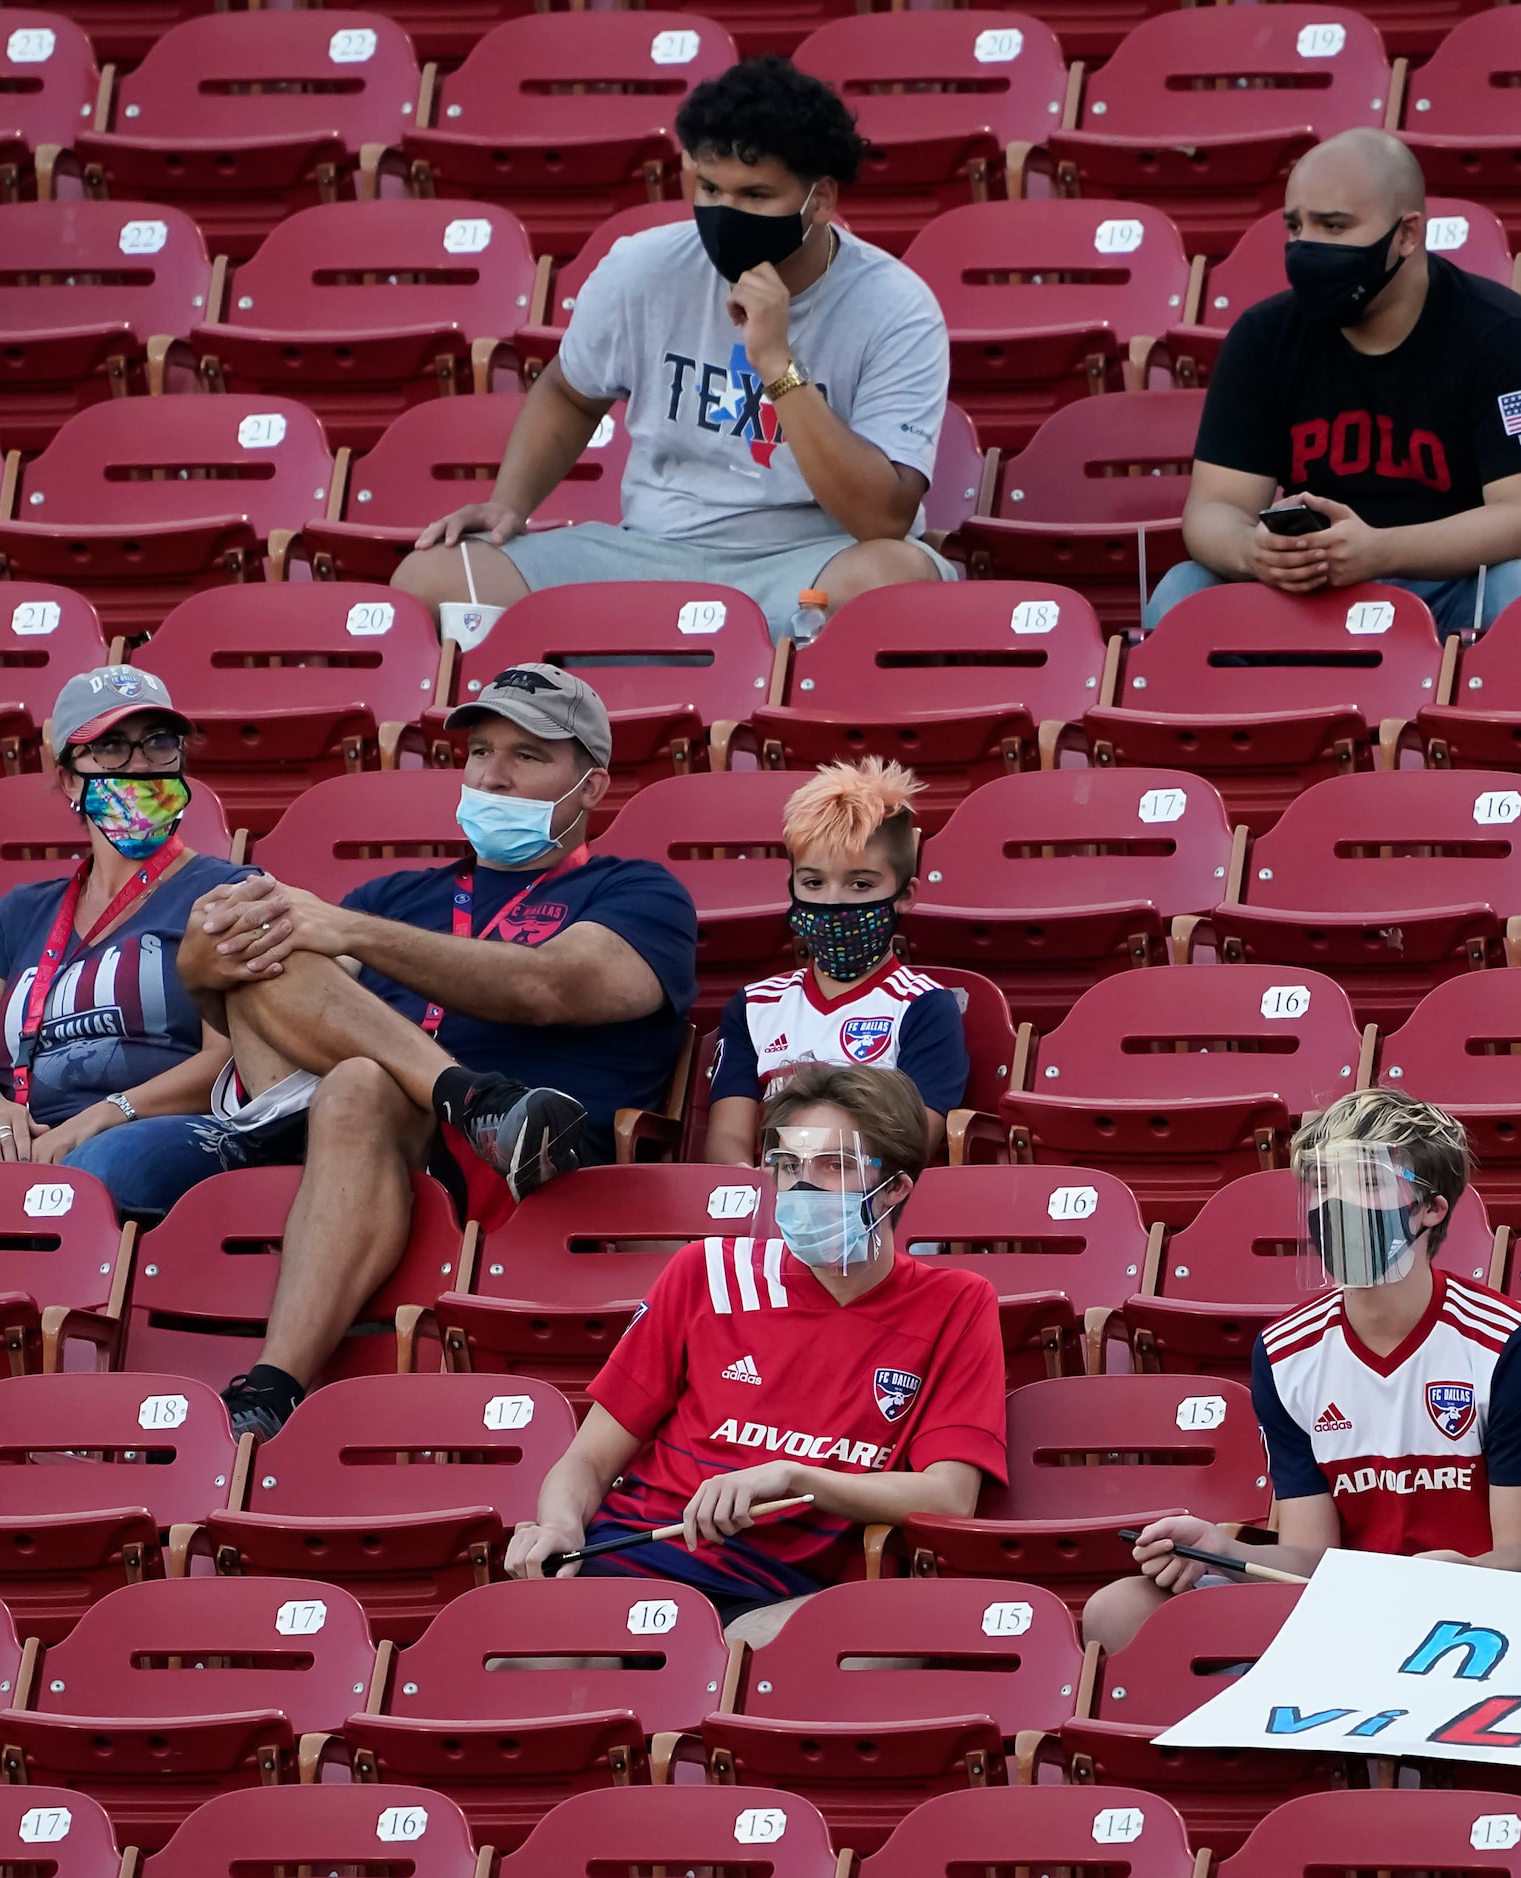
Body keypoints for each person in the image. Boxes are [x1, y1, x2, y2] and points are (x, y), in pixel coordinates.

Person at [181, 664, 696, 1442]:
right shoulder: (398, 894)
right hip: (330, 1123)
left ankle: (274, 1382)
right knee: (272, 968)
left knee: (359, 1081)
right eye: (479, 750)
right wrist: (202, 966)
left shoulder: (639, 891)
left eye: (527, 755)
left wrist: (351, 932)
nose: (491, 773)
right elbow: (254, 1011)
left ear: (590, 788)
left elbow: (552, 986)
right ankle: (467, 1093)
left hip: (533, 1159)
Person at [395, 56, 951, 641]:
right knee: (430, 579)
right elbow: (568, 390)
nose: (726, 213)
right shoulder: (644, 266)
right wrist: (511, 504)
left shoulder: (896, 307)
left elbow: (882, 517)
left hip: (806, 560)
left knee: (895, 580)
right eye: (710, 187)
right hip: (648, 556)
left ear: (820, 200)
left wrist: (777, 365)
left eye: (756, 195)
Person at [504, 1063, 1007, 1644]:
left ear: (895, 1188)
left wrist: (793, 1477)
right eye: (789, 1165)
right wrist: (560, 1527)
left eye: (835, 1166)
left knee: (883, 1646)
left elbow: (950, 1495)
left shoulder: (957, 1304)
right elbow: (587, 1462)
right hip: (634, 1561)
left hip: (783, 1596)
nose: (803, 1187)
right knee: (523, 1656)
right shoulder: (708, 1271)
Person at [1086, 1089, 1521, 1651]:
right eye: (1321, 1184)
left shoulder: (1511, 1342)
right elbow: (1310, 1556)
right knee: (1118, 1610)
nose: (1334, 1205)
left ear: (1431, 1209)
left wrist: (1456, 1573)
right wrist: (1224, 1551)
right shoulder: (1284, 1351)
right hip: (1343, 1615)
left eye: (1365, 1183)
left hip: (1475, 1613)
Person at [0, 667, 285, 1219]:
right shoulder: (21, 911)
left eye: (159, 744)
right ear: (69, 780)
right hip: (25, 1137)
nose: (139, 766)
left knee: (87, 1177)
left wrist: (107, 1114)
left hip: (162, 1127)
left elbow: (229, 1059)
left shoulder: (227, 892)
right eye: (111, 748)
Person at [1142, 127, 1521, 641]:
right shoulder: (1263, 337)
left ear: (1407, 234)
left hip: (1461, 584)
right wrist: (1256, 552)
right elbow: (1213, 507)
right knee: (1182, 591)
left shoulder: (1503, 333)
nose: (1307, 245)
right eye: (1295, 226)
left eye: (1333, 226)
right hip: (1320, 589)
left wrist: (1378, 552)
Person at [706, 758, 966, 1164]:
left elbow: (912, 1145)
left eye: (860, 884)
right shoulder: (754, 1007)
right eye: (813, 882)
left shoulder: (924, 1007)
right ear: (791, 887)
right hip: (767, 1209)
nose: (832, 902)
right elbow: (726, 1141)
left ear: (906, 894)